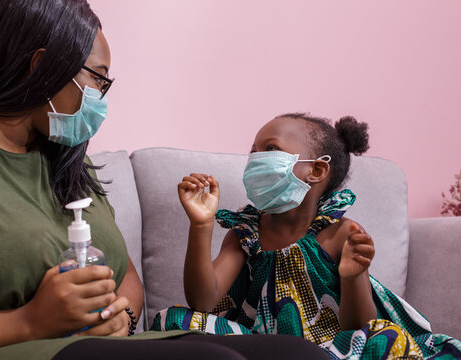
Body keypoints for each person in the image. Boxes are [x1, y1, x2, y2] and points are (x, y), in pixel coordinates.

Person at [0, 1, 329, 359]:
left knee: (296, 353)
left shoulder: (62, 157)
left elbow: (126, 276)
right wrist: (27, 321)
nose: (102, 94)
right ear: (42, 67)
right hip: (12, 347)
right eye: (97, 78)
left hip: (104, 345)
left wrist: (123, 315)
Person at [151, 114, 461, 359]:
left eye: (270, 150)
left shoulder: (340, 234)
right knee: (175, 320)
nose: (256, 159)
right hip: (261, 347)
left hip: (330, 349)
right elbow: (203, 302)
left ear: (315, 170)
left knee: (385, 338)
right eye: (253, 151)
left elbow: (358, 328)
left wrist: (354, 277)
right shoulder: (244, 233)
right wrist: (201, 226)